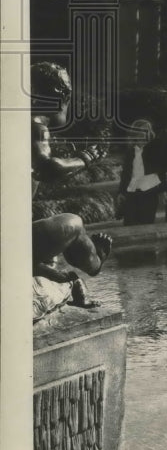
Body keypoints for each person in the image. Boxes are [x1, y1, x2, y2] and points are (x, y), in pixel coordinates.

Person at [30, 62, 113, 316]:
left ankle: (60, 269)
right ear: (57, 97)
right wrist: (87, 157)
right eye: (67, 98)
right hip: (12, 240)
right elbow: (48, 168)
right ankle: (94, 262)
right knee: (73, 223)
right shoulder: (36, 124)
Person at [116, 118, 163, 226]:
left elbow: (161, 171)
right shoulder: (130, 153)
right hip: (132, 193)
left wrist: (162, 190)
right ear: (135, 135)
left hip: (149, 193)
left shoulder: (154, 150)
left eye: (147, 131)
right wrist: (121, 192)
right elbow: (125, 174)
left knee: (146, 223)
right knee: (130, 223)